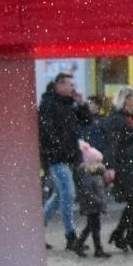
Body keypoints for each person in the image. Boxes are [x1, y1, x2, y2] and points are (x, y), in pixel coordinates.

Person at [101, 86, 133, 253]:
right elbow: (112, 145)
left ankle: (120, 235)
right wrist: (110, 167)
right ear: (127, 99)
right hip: (127, 167)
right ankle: (126, 237)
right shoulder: (118, 119)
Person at [39, 72, 84, 255]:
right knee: (68, 194)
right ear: (59, 85)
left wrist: (81, 104)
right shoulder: (49, 104)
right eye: (69, 85)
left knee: (60, 195)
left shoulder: (69, 104)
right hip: (57, 157)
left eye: (73, 85)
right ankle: (70, 236)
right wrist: (58, 148)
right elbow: (47, 130)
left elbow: (85, 121)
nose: (73, 88)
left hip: (67, 156)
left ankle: (37, 231)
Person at [74, 139, 111, 259]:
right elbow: (90, 193)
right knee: (94, 228)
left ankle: (81, 244)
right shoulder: (89, 177)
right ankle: (96, 249)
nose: (101, 164)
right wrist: (100, 203)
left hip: (94, 206)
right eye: (98, 162)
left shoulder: (95, 175)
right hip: (92, 206)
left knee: (91, 227)